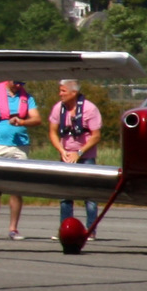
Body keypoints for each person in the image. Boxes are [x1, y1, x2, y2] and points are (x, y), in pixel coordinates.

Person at [0, 79, 44, 240]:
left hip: (20, 147)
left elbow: (37, 119)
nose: (19, 86)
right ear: (8, 80)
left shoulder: (27, 98)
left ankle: (13, 228)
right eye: (16, 82)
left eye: (22, 83)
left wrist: (22, 121)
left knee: (16, 188)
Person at [48, 79, 103, 232]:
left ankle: (90, 230)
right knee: (65, 195)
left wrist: (79, 153)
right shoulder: (58, 108)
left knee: (89, 195)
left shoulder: (90, 109)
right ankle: (65, 229)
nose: (60, 94)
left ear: (74, 92)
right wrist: (62, 150)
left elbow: (96, 136)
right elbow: (52, 131)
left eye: (63, 91)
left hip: (86, 157)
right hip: (66, 157)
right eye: (60, 90)